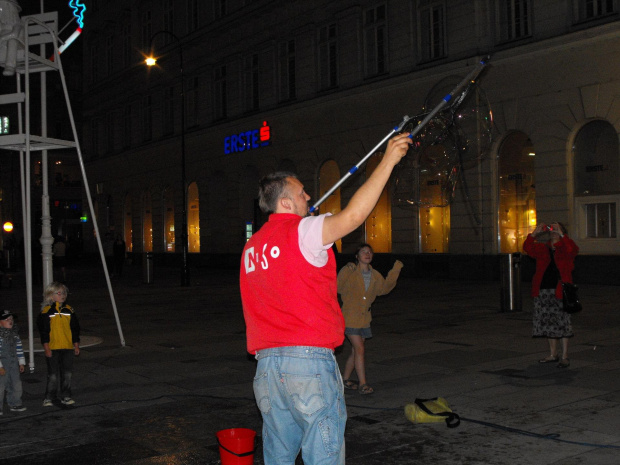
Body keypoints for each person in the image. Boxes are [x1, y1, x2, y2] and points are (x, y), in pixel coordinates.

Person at [240, 133, 412, 465]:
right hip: (306, 364)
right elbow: (352, 217)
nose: (308, 197)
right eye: (302, 192)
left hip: (266, 369)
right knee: (324, 456)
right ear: (286, 203)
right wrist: (388, 160)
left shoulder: (251, 247)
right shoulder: (302, 231)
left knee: (278, 456)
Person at [337, 243, 403, 395]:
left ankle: (344, 380)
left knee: (355, 351)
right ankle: (363, 384)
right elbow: (338, 286)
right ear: (357, 256)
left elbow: (384, 289)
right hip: (350, 317)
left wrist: (396, 270)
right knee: (360, 349)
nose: (367, 254)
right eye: (363, 251)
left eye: (370, 252)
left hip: (365, 318)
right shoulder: (350, 270)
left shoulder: (375, 275)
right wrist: (347, 268)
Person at [523, 222, 579, 368]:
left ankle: (565, 355)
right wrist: (534, 233)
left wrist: (562, 235)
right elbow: (527, 248)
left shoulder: (565, 247)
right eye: (552, 230)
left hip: (561, 291)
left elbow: (573, 250)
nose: (553, 232)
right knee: (548, 322)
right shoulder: (543, 248)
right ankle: (553, 354)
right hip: (543, 291)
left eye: (556, 230)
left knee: (563, 323)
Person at [37, 282, 80, 406]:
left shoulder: (69, 310)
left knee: (67, 373)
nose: (63, 295)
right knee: (53, 374)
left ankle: (66, 395)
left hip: (67, 346)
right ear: (51, 295)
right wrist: (46, 347)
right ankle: (49, 396)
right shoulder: (46, 312)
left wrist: (76, 344)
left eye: (64, 293)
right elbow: (44, 331)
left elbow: (75, 328)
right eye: (59, 293)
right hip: (53, 347)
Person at [0, 310, 26, 414]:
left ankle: (15, 403)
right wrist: (0, 366)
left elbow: (19, 348)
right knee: (1, 386)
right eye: (7, 319)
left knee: (16, 384)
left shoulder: (15, 334)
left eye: (11, 319)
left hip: (14, 362)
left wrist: (21, 362)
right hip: (3, 362)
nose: (10, 321)